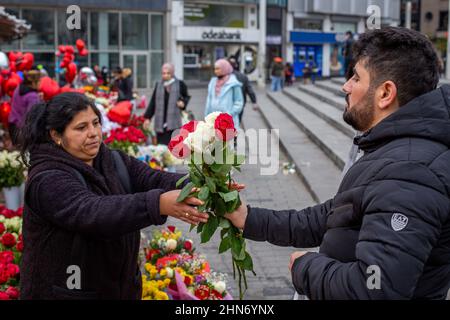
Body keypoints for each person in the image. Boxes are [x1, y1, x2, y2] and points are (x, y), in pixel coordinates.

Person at [225, 27, 450, 299]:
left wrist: (305, 267)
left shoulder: (411, 173)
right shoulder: (393, 153)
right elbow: (332, 217)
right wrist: (248, 218)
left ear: (385, 93)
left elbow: (375, 288)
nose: (346, 86)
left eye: (356, 77)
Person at [18, 92, 208, 299]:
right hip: (67, 292)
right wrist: (157, 203)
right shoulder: (47, 178)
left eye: (96, 123)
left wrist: (204, 184)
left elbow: (153, 178)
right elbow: (92, 212)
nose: (93, 133)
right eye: (81, 128)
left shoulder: (112, 160)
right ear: (56, 135)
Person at [143, 63, 190, 145]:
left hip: (174, 122)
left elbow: (186, 96)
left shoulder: (180, 84)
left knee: (174, 145)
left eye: (168, 73)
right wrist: (148, 118)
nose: (165, 75)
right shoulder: (159, 85)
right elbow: (153, 102)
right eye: (163, 73)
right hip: (160, 122)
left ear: (172, 73)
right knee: (161, 145)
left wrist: (183, 103)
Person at [205, 59, 244, 129]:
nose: (215, 71)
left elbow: (239, 102)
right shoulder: (213, 82)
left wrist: (227, 115)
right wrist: (207, 118)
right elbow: (209, 101)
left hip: (228, 123)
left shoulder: (233, 83)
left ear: (224, 68)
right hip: (213, 122)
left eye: (217, 69)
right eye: (215, 69)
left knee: (227, 139)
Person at [8, 68, 42, 145]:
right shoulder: (32, 96)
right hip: (23, 130)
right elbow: (32, 116)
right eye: (39, 81)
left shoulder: (19, 88)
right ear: (33, 82)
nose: (41, 83)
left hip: (13, 125)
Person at [228, 57, 258, 123]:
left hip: (227, 104)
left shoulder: (224, 76)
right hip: (239, 104)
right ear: (236, 65)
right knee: (237, 121)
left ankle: (230, 132)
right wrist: (254, 102)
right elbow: (250, 90)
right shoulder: (243, 76)